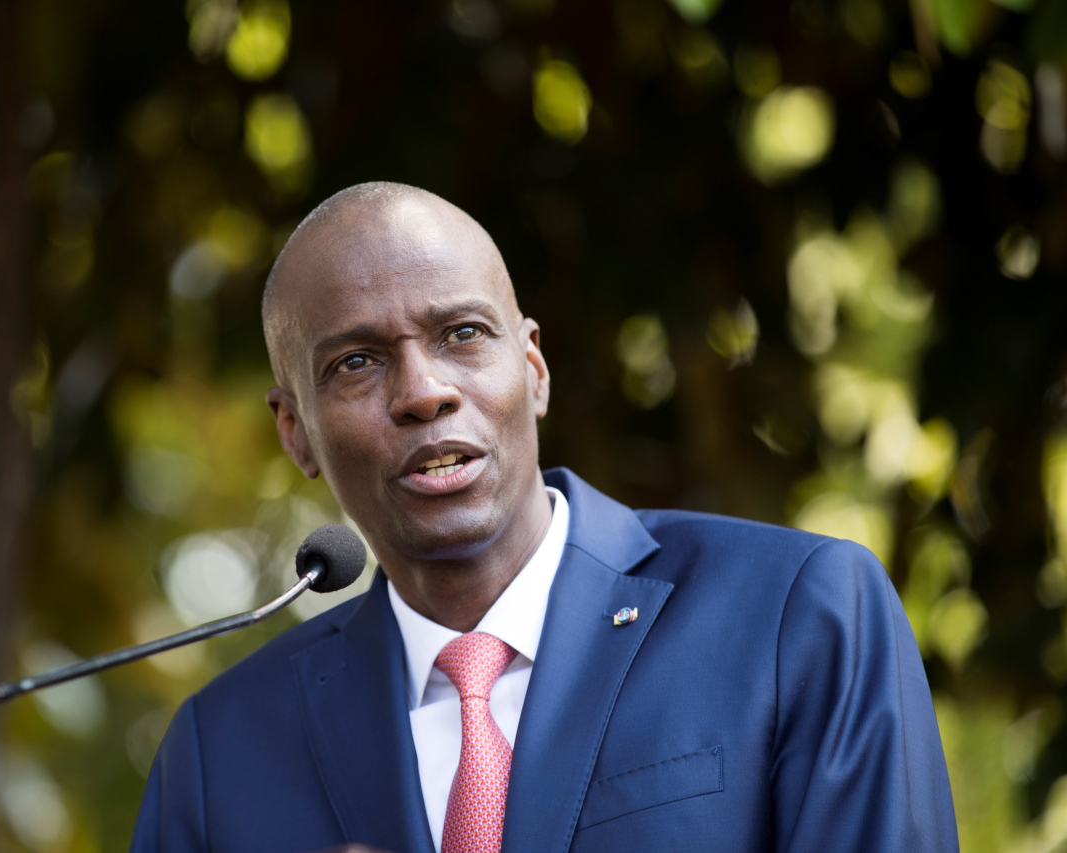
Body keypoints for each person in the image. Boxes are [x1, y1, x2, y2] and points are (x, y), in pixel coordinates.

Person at [129, 183, 959, 853]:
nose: (423, 391)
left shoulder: (797, 615)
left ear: (532, 369)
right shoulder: (219, 753)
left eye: (462, 333)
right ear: (295, 429)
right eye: (357, 361)